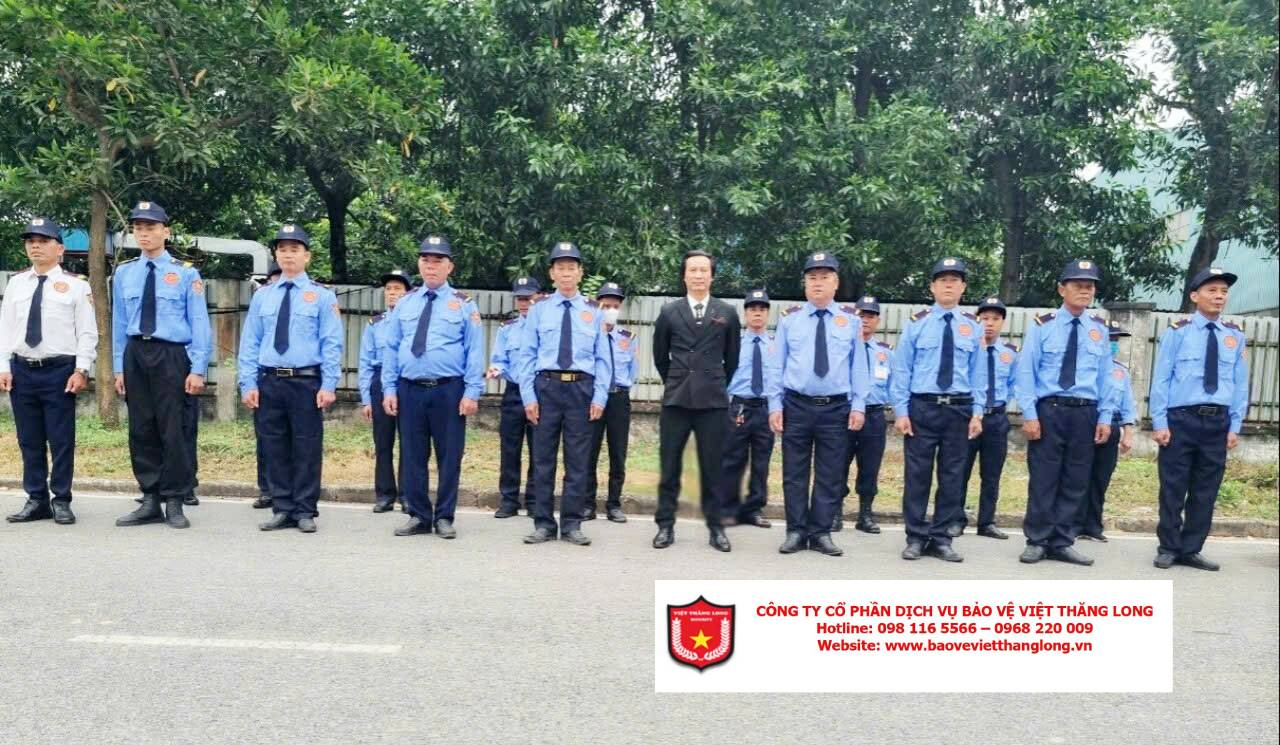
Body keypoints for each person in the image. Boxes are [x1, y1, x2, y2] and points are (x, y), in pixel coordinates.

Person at [112, 201, 212, 530]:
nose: (144, 233)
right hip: (136, 354)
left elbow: (199, 322)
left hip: (171, 355)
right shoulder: (124, 273)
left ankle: (175, 499)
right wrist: (118, 367)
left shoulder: (186, 273)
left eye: (151, 227)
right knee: (141, 428)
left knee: (174, 428)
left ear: (165, 232)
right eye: (138, 228)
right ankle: (150, 499)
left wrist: (198, 368)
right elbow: (119, 323)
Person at [238, 225, 343, 533]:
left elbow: (332, 342)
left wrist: (329, 384)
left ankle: (305, 509)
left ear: (307, 256)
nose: (288, 255)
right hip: (270, 380)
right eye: (282, 249)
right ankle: (282, 507)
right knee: (274, 446)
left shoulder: (322, 296)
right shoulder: (263, 296)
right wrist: (248, 382)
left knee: (306, 447)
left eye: (294, 249)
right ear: (276, 255)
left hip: (306, 382)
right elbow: (250, 341)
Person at [381, 236, 485, 539]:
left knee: (449, 456)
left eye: (438, 260)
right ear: (419, 264)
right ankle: (419, 515)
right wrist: (389, 388)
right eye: (425, 260)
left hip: (448, 390)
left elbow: (474, 350)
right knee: (412, 455)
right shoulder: (405, 303)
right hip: (410, 389)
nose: (431, 266)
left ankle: (444, 516)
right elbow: (391, 347)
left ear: (449, 266)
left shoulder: (463, 304)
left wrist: (472, 391)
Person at [1015, 259, 1114, 566]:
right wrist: (1029, 414)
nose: (1085, 290)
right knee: (1044, 478)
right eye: (1078, 285)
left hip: (1085, 412)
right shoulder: (1042, 326)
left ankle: (1062, 540)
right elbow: (1026, 372)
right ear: (1062, 289)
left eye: (1090, 286)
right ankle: (1037, 540)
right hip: (1050, 411)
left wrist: (1105, 416)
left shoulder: (1098, 330)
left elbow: (1106, 377)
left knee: (1076, 479)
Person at [1149, 267, 1247, 571]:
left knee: (1206, 490)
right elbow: (1161, 379)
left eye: (1223, 291)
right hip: (1181, 420)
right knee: (1173, 487)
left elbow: (1240, 384)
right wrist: (1159, 422)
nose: (1219, 296)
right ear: (1194, 296)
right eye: (1212, 290)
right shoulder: (1177, 332)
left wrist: (1235, 425)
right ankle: (1168, 547)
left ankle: (1191, 549)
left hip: (1217, 422)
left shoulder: (1234, 336)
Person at [771, 252, 868, 557]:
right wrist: (774, 405)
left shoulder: (850, 321)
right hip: (796, 405)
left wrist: (859, 404)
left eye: (824, 277)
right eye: (812, 277)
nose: (817, 283)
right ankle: (796, 531)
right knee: (794, 472)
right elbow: (777, 365)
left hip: (835, 408)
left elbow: (858, 365)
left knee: (830, 472)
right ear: (804, 283)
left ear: (835, 283)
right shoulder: (790, 321)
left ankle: (821, 532)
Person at [1, 218, 97, 526]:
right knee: (29, 440)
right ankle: (36, 499)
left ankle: (62, 499)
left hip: (59, 371)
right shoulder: (16, 283)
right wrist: (4, 366)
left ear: (60, 249)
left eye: (43, 241)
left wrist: (82, 369)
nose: (36, 246)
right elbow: (6, 328)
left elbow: (87, 332)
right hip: (22, 370)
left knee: (61, 439)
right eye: (31, 241)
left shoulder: (77, 285)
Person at [890, 258, 985, 563]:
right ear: (932, 286)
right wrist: (901, 411)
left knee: (952, 477)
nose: (948, 285)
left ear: (963, 287)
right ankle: (916, 537)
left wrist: (978, 412)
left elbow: (978, 373)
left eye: (954, 280)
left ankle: (942, 538)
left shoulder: (973, 327)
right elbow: (901, 370)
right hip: (923, 408)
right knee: (917, 476)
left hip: (959, 410)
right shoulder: (916, 324)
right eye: (942, 280)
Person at [517, 241, 610, 546]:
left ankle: (571, 524)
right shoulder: (539, 310)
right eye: (561, 267)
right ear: (552, 273)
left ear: (580, 273)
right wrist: (529, 397)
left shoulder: (594, 311)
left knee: (578, 461)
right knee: (543, 460)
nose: (566, 273)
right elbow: (527, 356)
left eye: (572, 267)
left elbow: (603, 358)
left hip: (581, 389)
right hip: (547, 387)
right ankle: (544, 523)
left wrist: (599, 397)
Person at [651, 250, 741, 552]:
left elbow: (732, 359)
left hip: (712, 401)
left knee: (713, 467)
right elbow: (660, 357)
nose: (699, 275)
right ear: (684, 276)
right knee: (669, 466)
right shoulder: (669, 312)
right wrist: (676, 380)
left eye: (704, 270)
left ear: (712, 276)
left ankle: (717, 528)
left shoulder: (727, 312)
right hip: (677, 399)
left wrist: (714, 383)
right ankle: (665, 525)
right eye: (693, 270)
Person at [952, 296, 1017, 540]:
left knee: (991, 474)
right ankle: (955, 519)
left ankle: (986, 522)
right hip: (967, 418)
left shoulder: (1010, 354)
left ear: (1003, 322)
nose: (989, 323)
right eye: (985, 318)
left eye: (995, 319)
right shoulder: (967, 350)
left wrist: (998, 407)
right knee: (960, 471)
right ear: (977, 320)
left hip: (996, 419)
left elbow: (1013, 385)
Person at [718, 289, 780, 529]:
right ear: (745, 313)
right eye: (753, 309)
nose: (757, 313)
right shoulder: (734, 344)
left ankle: (754, 509)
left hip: (765, 408)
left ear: (767, 314)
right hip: (739, 407)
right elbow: (722, 376)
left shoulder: (776, 345)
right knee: (732, 459)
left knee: (761, 462)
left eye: (762, 309)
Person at [1076, 320, 1137, 542]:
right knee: (1079, 476)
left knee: (1101, 478)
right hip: (1086, 423)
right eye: (1110, 339)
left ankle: (1093, 526)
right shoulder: (1086, 367)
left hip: (1111, 426)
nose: (1113, 344)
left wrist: (1128, 433)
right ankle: (1072, 524)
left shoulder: (1121, 372)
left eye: (1116, 340)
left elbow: (1128, 404)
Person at [835, 295, 891, 534]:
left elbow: (894, 384)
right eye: (861, 316)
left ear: (878, 320)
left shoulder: (886, 352)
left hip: (875, 416)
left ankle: (865, 514)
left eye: (870, 316)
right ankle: (835, 513)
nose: (865, 320)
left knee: (870, 466)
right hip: (845, 413)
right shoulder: (842, 349)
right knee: (838, 464)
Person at [359, 268, 412, 513]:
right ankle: (384, 494)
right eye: (388, 289)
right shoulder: (375, 324)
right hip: (380, 382)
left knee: (410, 442)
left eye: (397, 289)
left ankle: (408, 495)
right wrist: (366, 399)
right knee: (383, 442)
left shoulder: (413, 321)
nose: (392, 293)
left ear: (407, 293)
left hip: (407, 381)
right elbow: (365, 362)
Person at [488, 276, 541, 519]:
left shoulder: (545, 328)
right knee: (509, 448)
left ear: (538, 297)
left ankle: (534, 500)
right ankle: (509, 500)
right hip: (513, 392)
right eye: (520, 298)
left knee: (539, 449)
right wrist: (497, 370)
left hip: (540, 393)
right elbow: (499, 359)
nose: (524, 303)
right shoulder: (507, 329)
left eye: (528, 298)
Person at [584, 282, 637, 523]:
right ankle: (587, 504)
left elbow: (633, 372)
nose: (610, 310)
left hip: (618, 399)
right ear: (598, 305)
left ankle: (614, 504)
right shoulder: (588, 334)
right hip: (594, 398)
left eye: (615, 306)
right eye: (606, 305)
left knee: (618, 453)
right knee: (589, 452)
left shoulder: (628, 338)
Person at [250, 263, 281, 510]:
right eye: (274, 278)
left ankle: (290, 493)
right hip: (266, 377)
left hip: (298, 379)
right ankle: (267, 489)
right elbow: (251, 343)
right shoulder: (262, 302)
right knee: (265, 439)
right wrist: (249, 381)